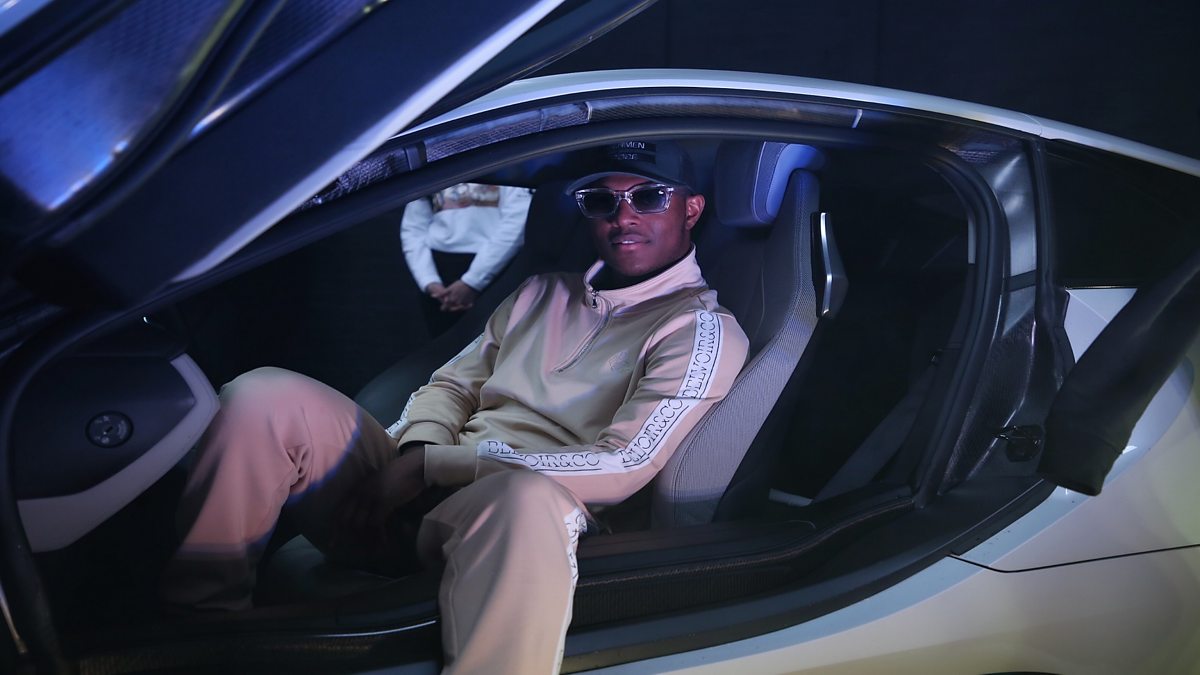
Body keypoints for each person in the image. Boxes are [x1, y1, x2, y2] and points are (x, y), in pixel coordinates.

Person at [160, 139, 749, 675]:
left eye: (649, 197)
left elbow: (626, 464)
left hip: (520, 524)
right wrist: (414, 453)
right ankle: (202, 633)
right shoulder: (541, 292)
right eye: (602, 201)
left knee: (523, 498)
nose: (623, 216)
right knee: (263, 393)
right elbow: (451, 386)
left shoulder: (700, 330)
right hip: (413, 500)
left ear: (691, 209)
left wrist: (433, 467)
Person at [400, 183, 531, 335]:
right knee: (443, 342)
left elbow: (517, 222)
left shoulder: (506, 172)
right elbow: (413, 228)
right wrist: (429, 280)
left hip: (495, 266)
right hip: (438, 272)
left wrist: (472, 281)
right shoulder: (431, 171)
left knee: (494, 339)